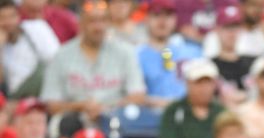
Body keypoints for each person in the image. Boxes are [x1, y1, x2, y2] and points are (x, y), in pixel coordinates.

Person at [40, 0, 146, 130]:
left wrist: (105, 108)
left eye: (103, 21)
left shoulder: (125, 52)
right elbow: (51, 103)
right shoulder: (62, 55)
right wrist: (80, 106)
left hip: (114, 121)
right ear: (81, 24)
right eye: (92, 21)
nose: (98, 27)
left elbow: (138, 96)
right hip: (75, 121)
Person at [138, 0, 199, 108]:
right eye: (156, 15)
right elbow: (132, 93)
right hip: (150, 113)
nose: (162, 21)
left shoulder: (192, 51)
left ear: (175, 19)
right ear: (147, 19)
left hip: (188, 112)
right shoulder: (136, 54)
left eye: (168, 15)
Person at [0, 0, 59, 99]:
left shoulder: (37, 28)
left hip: (47, 93)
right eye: (2, 18)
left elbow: (57, 60)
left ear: (18, 17)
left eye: (11, 16)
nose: (8, 22)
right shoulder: (2, 45)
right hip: (17, 100)